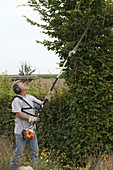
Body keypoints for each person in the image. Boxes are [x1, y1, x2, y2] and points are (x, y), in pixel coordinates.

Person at [11, 80, 50, 170]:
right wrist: (30, 118)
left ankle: (36, 168)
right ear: (17, 89)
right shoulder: (16, 100)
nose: (23, 84)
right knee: (18, 153)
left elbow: (42, 105)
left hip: (31, 130)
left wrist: (46, 100)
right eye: (20, 84)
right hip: (21, 131)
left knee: (35, 152)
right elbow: (18, 114)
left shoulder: (31, 98)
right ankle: (13, 168)